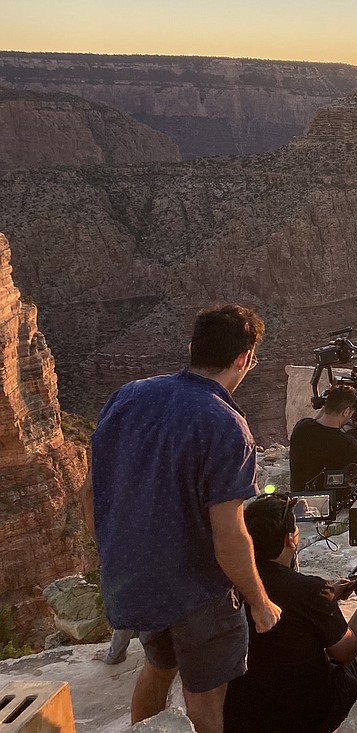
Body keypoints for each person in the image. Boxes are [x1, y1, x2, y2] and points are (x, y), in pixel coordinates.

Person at [81, 305, 281, 733]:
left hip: (135, 578)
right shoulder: (227, 426)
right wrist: (260, 604)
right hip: (196, 590)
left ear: (192, 348)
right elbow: (229, 537)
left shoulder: (128, 395)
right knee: (204, 698)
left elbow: (91, 494)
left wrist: (114, 554)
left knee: (158, 667)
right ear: (244, 358)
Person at [223, 493, 357, 733]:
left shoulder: (234, 584)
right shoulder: (309, 590)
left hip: (248, 713)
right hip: (306, 715)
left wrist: (327, 595)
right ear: (289, 539)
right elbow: (347, 649)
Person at [289, 384, 357, 491]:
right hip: (330, 505)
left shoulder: (301, 427)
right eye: (351, 413)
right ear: (346, 412)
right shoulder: (347, 444)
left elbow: (316, 423)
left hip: (298, 498)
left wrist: (332, 397)